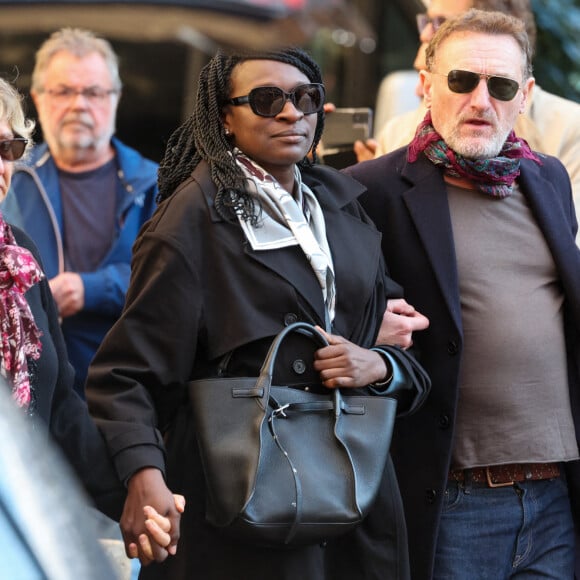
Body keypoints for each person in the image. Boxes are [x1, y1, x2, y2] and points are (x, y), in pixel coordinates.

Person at [86, 45, 430, 580]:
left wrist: (378, 366)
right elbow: (126, 375)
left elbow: (401, 349)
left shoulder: (340, 206)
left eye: (305, 98)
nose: (291, 113)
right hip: (242, 501)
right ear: (225, 116)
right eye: (267, 101)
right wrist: (142, 473)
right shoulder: (193, 218)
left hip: (353, 500)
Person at [346, 9, 580, 580]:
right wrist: (365, 330)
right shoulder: (371, 189)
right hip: (451, 501)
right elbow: (326, 311)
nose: (481, 100)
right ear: (426, 84)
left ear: (523, 95)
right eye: (461, 80)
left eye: (500, 86)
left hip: (555, 500)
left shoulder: (548, 178)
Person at [0, 75, 182, 573]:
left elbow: (57, 408)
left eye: (7, 147)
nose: (1, 165)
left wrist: (136, 492)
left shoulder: (19, 258)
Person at [1, 27, 158, 395]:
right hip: (37, 400)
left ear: (115, 99)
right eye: (63, 92)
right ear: (38, 99)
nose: (78, 105)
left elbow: (177, 283)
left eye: (93, 92)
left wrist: (89, 289)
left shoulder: (156, 184)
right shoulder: (12, 176)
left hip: (132, 393)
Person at [354, 0, 580, 233]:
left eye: (442, 23)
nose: (426, 34)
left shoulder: (565, 134)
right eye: (460, 80)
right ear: (428, 85)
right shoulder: (398, 136)